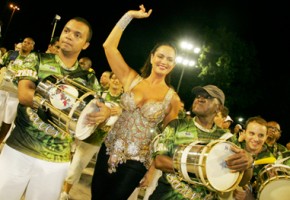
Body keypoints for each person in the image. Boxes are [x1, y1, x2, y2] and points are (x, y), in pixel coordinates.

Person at [0, 17, 111, 200]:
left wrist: (104, 113)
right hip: (19, 149)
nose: (69, 36)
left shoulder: (89, 79)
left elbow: (95, 112)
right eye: (66, 30)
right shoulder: (37, 59)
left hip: (56, 160)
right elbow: (25, 95)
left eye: (77, 35)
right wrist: (63, 106)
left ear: (85, 44)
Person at [91, 5, 181, 200]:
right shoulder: (131, 79)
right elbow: (109, 47)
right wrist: (129, 16)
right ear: (152, 57)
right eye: (160, 56)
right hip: (108, 149)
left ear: (173, 65)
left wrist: (151, 171)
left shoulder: (172, 98)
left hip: (137, 161)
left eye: (170, 59)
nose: (164, 61)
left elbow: (166, 140)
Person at [149, 84, 254, 200]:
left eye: (208, 97)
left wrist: (249, 163)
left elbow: (240, 180)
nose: (200, 98)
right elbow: (159, 161)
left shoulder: (227, 139)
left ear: (219, 108)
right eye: (198, 96)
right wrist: (205, 168)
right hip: (167, 196)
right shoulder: (177, 125)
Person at [60, 72, 123, 200]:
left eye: (119, 78)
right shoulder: (100, 96)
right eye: (113, 78)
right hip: (93, 137)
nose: (116, 81)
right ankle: (65, 193)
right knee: (76, 166)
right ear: (110, 81)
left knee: (106, 174)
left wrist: (122, 111)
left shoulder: (127, 101)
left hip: (112, 143)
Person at [0, 37, 35, 145]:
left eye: (29, 43)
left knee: (8, 119)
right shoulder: (11, 54)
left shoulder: (33, 61)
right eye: (24, 42)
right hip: (2, 89)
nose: (25, 44)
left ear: (32, 47)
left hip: (16, 94)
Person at [237, 116, 275, 199]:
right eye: (252, 133)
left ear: (266, 137)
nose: (256, 139)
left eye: (261, 135)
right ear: (244, 133)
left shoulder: (270, 160)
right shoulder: (235, 150)